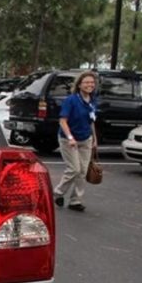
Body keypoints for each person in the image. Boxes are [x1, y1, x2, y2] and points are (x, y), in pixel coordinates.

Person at [53, 71, 98, 212]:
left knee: (83, 171)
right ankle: (58, 193)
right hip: (69, 139)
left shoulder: (92, 100)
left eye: (92, 82)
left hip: (86, 139)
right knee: (74, 169)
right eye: (86, 82)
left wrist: (94, 139)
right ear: (79, 85)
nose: (89, 85)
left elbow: (91, 121)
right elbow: (63, 121)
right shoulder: (71, 100)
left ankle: (75, 200)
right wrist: (70, 138)